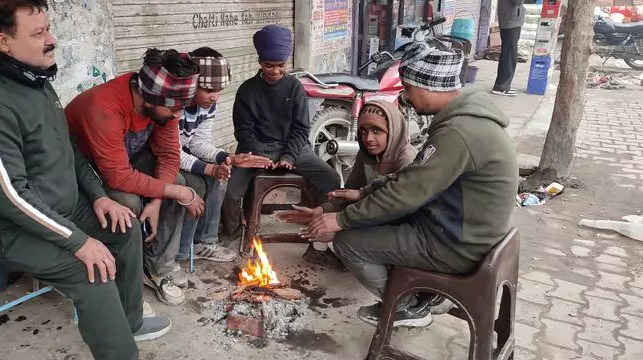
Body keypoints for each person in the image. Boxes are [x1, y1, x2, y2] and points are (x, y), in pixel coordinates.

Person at [0, 1, 170, 359]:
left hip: (64, 210)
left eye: (48, 28)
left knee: (125, 229)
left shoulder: (38, 84)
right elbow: (11, 195)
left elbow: (68, 150)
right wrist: (78, 241)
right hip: (8, 229)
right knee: (92, 273)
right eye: (38, 33)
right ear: (3, 42)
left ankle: (130, 321)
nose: (51, 39)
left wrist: (99, 196)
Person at [302, 40, 518, 328]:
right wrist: (363, 193)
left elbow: (406, 193)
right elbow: (414, 179)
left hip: (457, 246)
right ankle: (427, 294)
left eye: (408, 87)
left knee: (348, 243)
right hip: (463, 233)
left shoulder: (458, 132)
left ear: (428, 86)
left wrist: (342, 220)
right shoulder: (467, 122)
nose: (406, 95)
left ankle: (407, 306)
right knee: (372, 221)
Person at [65, 48, 205, 307]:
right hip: (84, 172)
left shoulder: (164, 103)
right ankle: (124, 280)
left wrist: (157, 201)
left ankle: (158, 266)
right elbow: (118, 177)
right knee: (128, 204)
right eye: (174, 109)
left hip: (124, 162)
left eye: (182, 108)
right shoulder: (104, 106)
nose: (178, 115)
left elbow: (169, 156)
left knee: (178, 182)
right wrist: (175, 192)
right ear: (150, 98)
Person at [222, 24, 341, 250]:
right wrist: (260, 156)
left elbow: (300, 129)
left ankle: (318, 227)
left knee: (331, 179)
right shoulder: (247, 90)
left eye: (281, 65)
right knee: (230, 192)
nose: (275, 70)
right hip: (255, 149)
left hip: (292, 147)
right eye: (269, 65)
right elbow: (243, 131)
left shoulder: (295, 88)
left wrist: (288, 156)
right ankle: (234, 232)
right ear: (259, 62)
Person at [280, 100, 418, 269]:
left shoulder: (406, 159)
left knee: (341, 237)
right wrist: (321, 210)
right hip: (375, 215)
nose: (368, 138)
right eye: (363, 130)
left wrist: (339, 228)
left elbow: (395, 209)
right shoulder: (366, 154)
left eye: (377, 131)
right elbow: (350, 193)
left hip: (403, 229)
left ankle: (389, 274)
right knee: (327, 223)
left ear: (394, 130)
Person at [176, 47, 272, 264]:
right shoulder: (176, 105)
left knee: (219, 179)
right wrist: (210, 168)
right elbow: (173, 152)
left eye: (219, 90)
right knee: (196, 184)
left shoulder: (206, 105)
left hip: (182, 154)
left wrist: (227, 158)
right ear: (192, 83)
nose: (214, 97)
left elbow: (198, 142)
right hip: (164, 158)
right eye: (209, 90)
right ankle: (182, 250)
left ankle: (205, 242)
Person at [492, 0, 526, 96]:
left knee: (510, 55)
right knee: (509, 56)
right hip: (510, 23)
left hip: (512, 21)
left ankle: (504, 86)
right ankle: (501, 87)